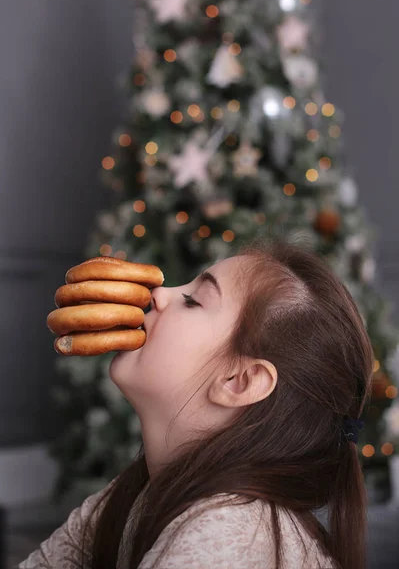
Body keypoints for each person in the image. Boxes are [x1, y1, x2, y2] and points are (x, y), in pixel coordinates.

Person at [19, 235, 374, 569]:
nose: (158, 294)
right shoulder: (136, 495)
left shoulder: (225, 538)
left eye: (192, 300)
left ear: (239, 381)